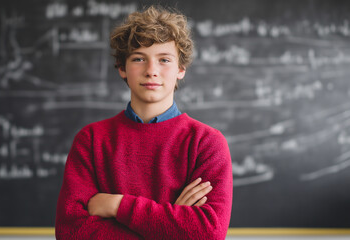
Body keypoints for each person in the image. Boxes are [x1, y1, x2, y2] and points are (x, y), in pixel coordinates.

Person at [55, 5, 232, 240]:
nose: (151, 71)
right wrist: (171, 226)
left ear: (181, 69)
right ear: (122, 68)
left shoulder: (206, 143)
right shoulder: (91, 140)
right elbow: (71, 231)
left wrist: (116, 205)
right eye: (139, 58)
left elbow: (208, 232)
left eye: (164, 60)